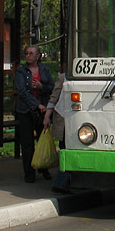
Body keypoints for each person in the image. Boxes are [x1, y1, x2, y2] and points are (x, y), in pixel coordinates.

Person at [15, 44, 54, 183]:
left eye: (31, 53)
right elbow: (22, 92)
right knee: (27, 144)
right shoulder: (21, 71)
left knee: (42, 140)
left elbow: (52, 87)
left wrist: (41, 86)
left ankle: (44, 168)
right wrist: (38, 105)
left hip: (42, 111)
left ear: (38, 56)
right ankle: (29, 173)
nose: (28, 56)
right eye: (27, 53)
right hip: (26, 111)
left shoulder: (44, 69)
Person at [42, 70, 70, 194]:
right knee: (65, 150)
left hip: (77, 122)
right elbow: (54, 98)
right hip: (64, 120)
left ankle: (64, 182)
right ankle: (60, 183)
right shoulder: (63, 77)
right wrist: (47, 116)